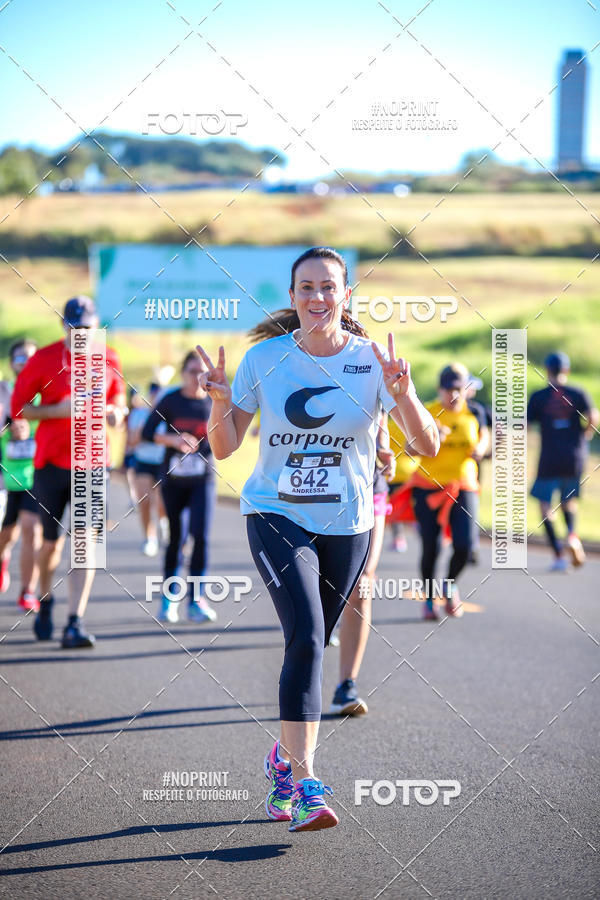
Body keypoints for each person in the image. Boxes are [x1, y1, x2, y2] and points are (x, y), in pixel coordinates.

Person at [198, 246, 438, 832]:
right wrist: (220, 403)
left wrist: (402, 392)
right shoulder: (264, 359)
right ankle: (305, 782)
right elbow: (226, 448)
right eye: (306, 287)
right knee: (305, 634)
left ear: (346, 295)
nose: (317, 297)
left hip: (350, 520)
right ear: (292, 296)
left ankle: (281, 759)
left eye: (328, 287)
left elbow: (427, 446)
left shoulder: (371, 362)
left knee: (316, 641)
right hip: (276, 513)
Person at [11, 296, 126, 648]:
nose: (81, 334)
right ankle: (45, 600)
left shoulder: (109, 358)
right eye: (74, 327)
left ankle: (74, 622)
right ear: (63, 326)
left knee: (85, 543)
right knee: (50, 547)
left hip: (92, 463)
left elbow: (118, 399)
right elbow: (19, 409)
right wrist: (58, 410)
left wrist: (116, 413)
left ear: (97, 326)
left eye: (87, 328)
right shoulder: (43, 359)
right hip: (51, 465)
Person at [141, 351, 217, 625]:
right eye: (191, 371)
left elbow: (226, 435)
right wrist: (174, 441)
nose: (196, 377)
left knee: (201, 536)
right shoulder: (171, 400)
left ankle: (196, 600)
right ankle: (169, 598)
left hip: (203, 479)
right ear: (182, 373)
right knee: (177, 538)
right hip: (173, 479)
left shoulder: (213, 402)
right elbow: (148, 433)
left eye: (202, 372)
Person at [411, 363, 488, 621]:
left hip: (463, 486)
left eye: (459, 389)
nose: (454, 395)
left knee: (465, 545)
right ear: (439, 390)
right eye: (449, 390)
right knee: (431, 548)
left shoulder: (475, 411)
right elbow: (410, 449)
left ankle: (450, 584)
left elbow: (485, 436)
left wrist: (482, 449)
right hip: (428, 487)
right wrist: (430, 438)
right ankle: (430, 598)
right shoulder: (427, 412)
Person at [330, 415, 395, 716]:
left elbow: (381, 411)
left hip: (369, 484)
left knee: (363, 580)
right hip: (317, 484)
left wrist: (385, 447)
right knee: (321, 582)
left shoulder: (376, 367)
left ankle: (347, 685)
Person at [527, 351, 598, 571]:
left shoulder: (539, 396)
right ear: (566, 370)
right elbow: (593, 417)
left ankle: (558, 555)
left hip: (549, 458)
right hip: (574, 457)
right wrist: (586, 434)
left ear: (547, 371)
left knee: (545, 506)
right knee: (569, 501)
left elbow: (526, 426)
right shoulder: (578, 392)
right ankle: (572, 535)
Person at [0, 340, 41, 607]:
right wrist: (9, 426)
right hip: (4, 476)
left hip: (34, 476)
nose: (24, 363)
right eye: (19, 358)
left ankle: (27, 590)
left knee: (31, 530)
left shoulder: (46, 395)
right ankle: (3, 561)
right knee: (7, 534)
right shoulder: (4, 391)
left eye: (30, 358)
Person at [128, 382, 168, 557]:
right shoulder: (138, 414)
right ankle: (149, 538)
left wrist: (152, 436)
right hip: (143, 462)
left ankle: (164, 524)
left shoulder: (167, 415)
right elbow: (132, 441)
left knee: (161, 503)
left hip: (162, 463)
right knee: (143, 501)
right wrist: (145, 432)